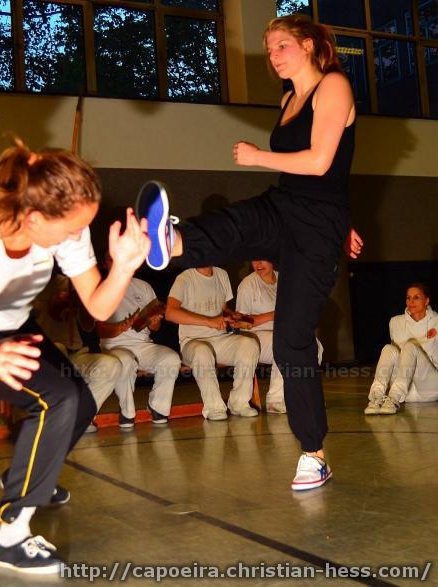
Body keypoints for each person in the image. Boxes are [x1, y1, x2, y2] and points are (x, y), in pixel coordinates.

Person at [136, 14, 363, 491]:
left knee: (291, 341)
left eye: (282, 45)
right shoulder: (288, 99)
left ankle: (313, 453)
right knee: (238, 222)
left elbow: (322, 162)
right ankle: (171, 240)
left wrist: (260, 157)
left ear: (308, 45)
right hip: (287, 204)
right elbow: (318, 173)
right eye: (269, 48)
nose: (273, 56)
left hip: (317, 227)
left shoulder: (334, 86)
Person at [0, 142, 149, 574]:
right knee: (57, 398)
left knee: (80, 402)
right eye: (71, 230)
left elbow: (98, 307)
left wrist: (123, 268)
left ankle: (23, 476)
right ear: (34, 218)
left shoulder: (67, 226)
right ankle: (11, 537)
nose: (77, 237)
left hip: (14, 325)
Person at [96, 254, 180, 428]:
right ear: (105, 264)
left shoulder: (143, 286)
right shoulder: (100, 288)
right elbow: (99, 329)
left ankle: (157, 407)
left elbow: (155, 327)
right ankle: (127, 412)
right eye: (112, 259)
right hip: (114, 347)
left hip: (143, 345)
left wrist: (154, 322)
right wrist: (121, 327)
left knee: (171, 358)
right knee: (126, 360)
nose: (118, 262)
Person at [166, 266, 259, 420]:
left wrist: (232, 317)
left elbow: (222, 309)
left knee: (249, 344)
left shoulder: (222, 274)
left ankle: (239, 403)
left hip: (220, 339)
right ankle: (214, 407)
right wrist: (209, 321)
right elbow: (170, 313)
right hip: (192, 342)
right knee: (202, 351)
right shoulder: (185, 278)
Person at [33, 271, 122, 433]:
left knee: (111, 365)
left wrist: (82, 304)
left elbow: (88, 326)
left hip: (76, 354)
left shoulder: (72, 282)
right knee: (57, 349)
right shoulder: (27, 283)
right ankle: (55, 418)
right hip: (44, 356)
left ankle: (81, 418)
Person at [236, 259, 323, 414]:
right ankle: (275, 400)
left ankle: (300, 396)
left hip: (283, 334)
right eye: (254, 260)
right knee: (285, 344)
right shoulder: (247, 285)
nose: (258, 264)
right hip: (254, 338)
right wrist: (274, 315)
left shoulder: (285, 279)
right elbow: (241, 322)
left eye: (262, 259)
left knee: (314, 345)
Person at [365, 283, 438, 415]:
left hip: (430, 386)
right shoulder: (395, 322)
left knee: (411, 346)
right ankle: (376, 397)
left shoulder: (436, 321)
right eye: (408, 298)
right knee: (388, 349)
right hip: (406, 392)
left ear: (427, 300)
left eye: (416, 297)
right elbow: (395, 359)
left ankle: (394, 397)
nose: (411, 302)